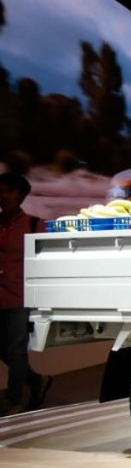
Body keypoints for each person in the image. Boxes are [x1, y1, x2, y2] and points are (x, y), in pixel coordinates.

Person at [0, 172, 52, 415]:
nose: (3, 196)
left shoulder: (34, 224)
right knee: (5, 350)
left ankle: (13, 399)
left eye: (9, 191)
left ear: (21, 195)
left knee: (17, 349)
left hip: (20, 296)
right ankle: (35, 379)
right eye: (1, 191)